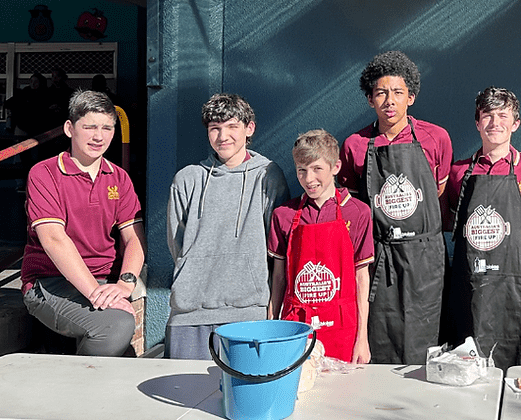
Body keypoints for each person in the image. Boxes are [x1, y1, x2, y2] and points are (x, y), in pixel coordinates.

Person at [337, 51, 452, 364]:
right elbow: (355, 208)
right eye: (381, 93)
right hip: (380, 257)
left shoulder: (435, 137)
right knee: (380, 338)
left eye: (398, 92)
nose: (390, 100)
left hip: (426, 257)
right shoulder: (355, 145)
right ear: (370, 99)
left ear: (411, 97)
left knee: (425, 343)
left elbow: (438, 190)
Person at [21, 90, 145, 356]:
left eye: (107, 128)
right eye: (89, 127)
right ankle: (78, 393)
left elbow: (134, 238)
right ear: (69, 128)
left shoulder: (119, 177)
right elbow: (54, 239)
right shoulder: (44, 173)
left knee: (123, 345)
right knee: (116, 326)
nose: (98, 136)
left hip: (105, 280)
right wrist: (95, 293)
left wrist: (125, 284)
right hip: (50, 282)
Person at [166, 93, 289, 359]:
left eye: (232, 126)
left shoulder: (268, 175)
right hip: (190, 313)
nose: (223, 136)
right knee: (182, 394)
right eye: (215, 129)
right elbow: (177, 244)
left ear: (249, 128)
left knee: (242, 396)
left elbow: (277, 247)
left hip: (248, 312)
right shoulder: (187, 179)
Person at [443, 87, 521, 369]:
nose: (495, 122)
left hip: (519, 291)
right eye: (487, 116)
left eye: (503, 115)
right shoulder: (458, 173)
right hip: (472, 292)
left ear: (515, 123)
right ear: (477, 123)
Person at [269, 130, 374, 363]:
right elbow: (278, 278)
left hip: (343, 329)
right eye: (302, 170)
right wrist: (272, 328)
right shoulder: (283, 215)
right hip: (296, 329)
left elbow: (361, 278)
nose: (309, 179)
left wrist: (363, 338)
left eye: (317, 169)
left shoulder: (357, 212)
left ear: (335, 167)